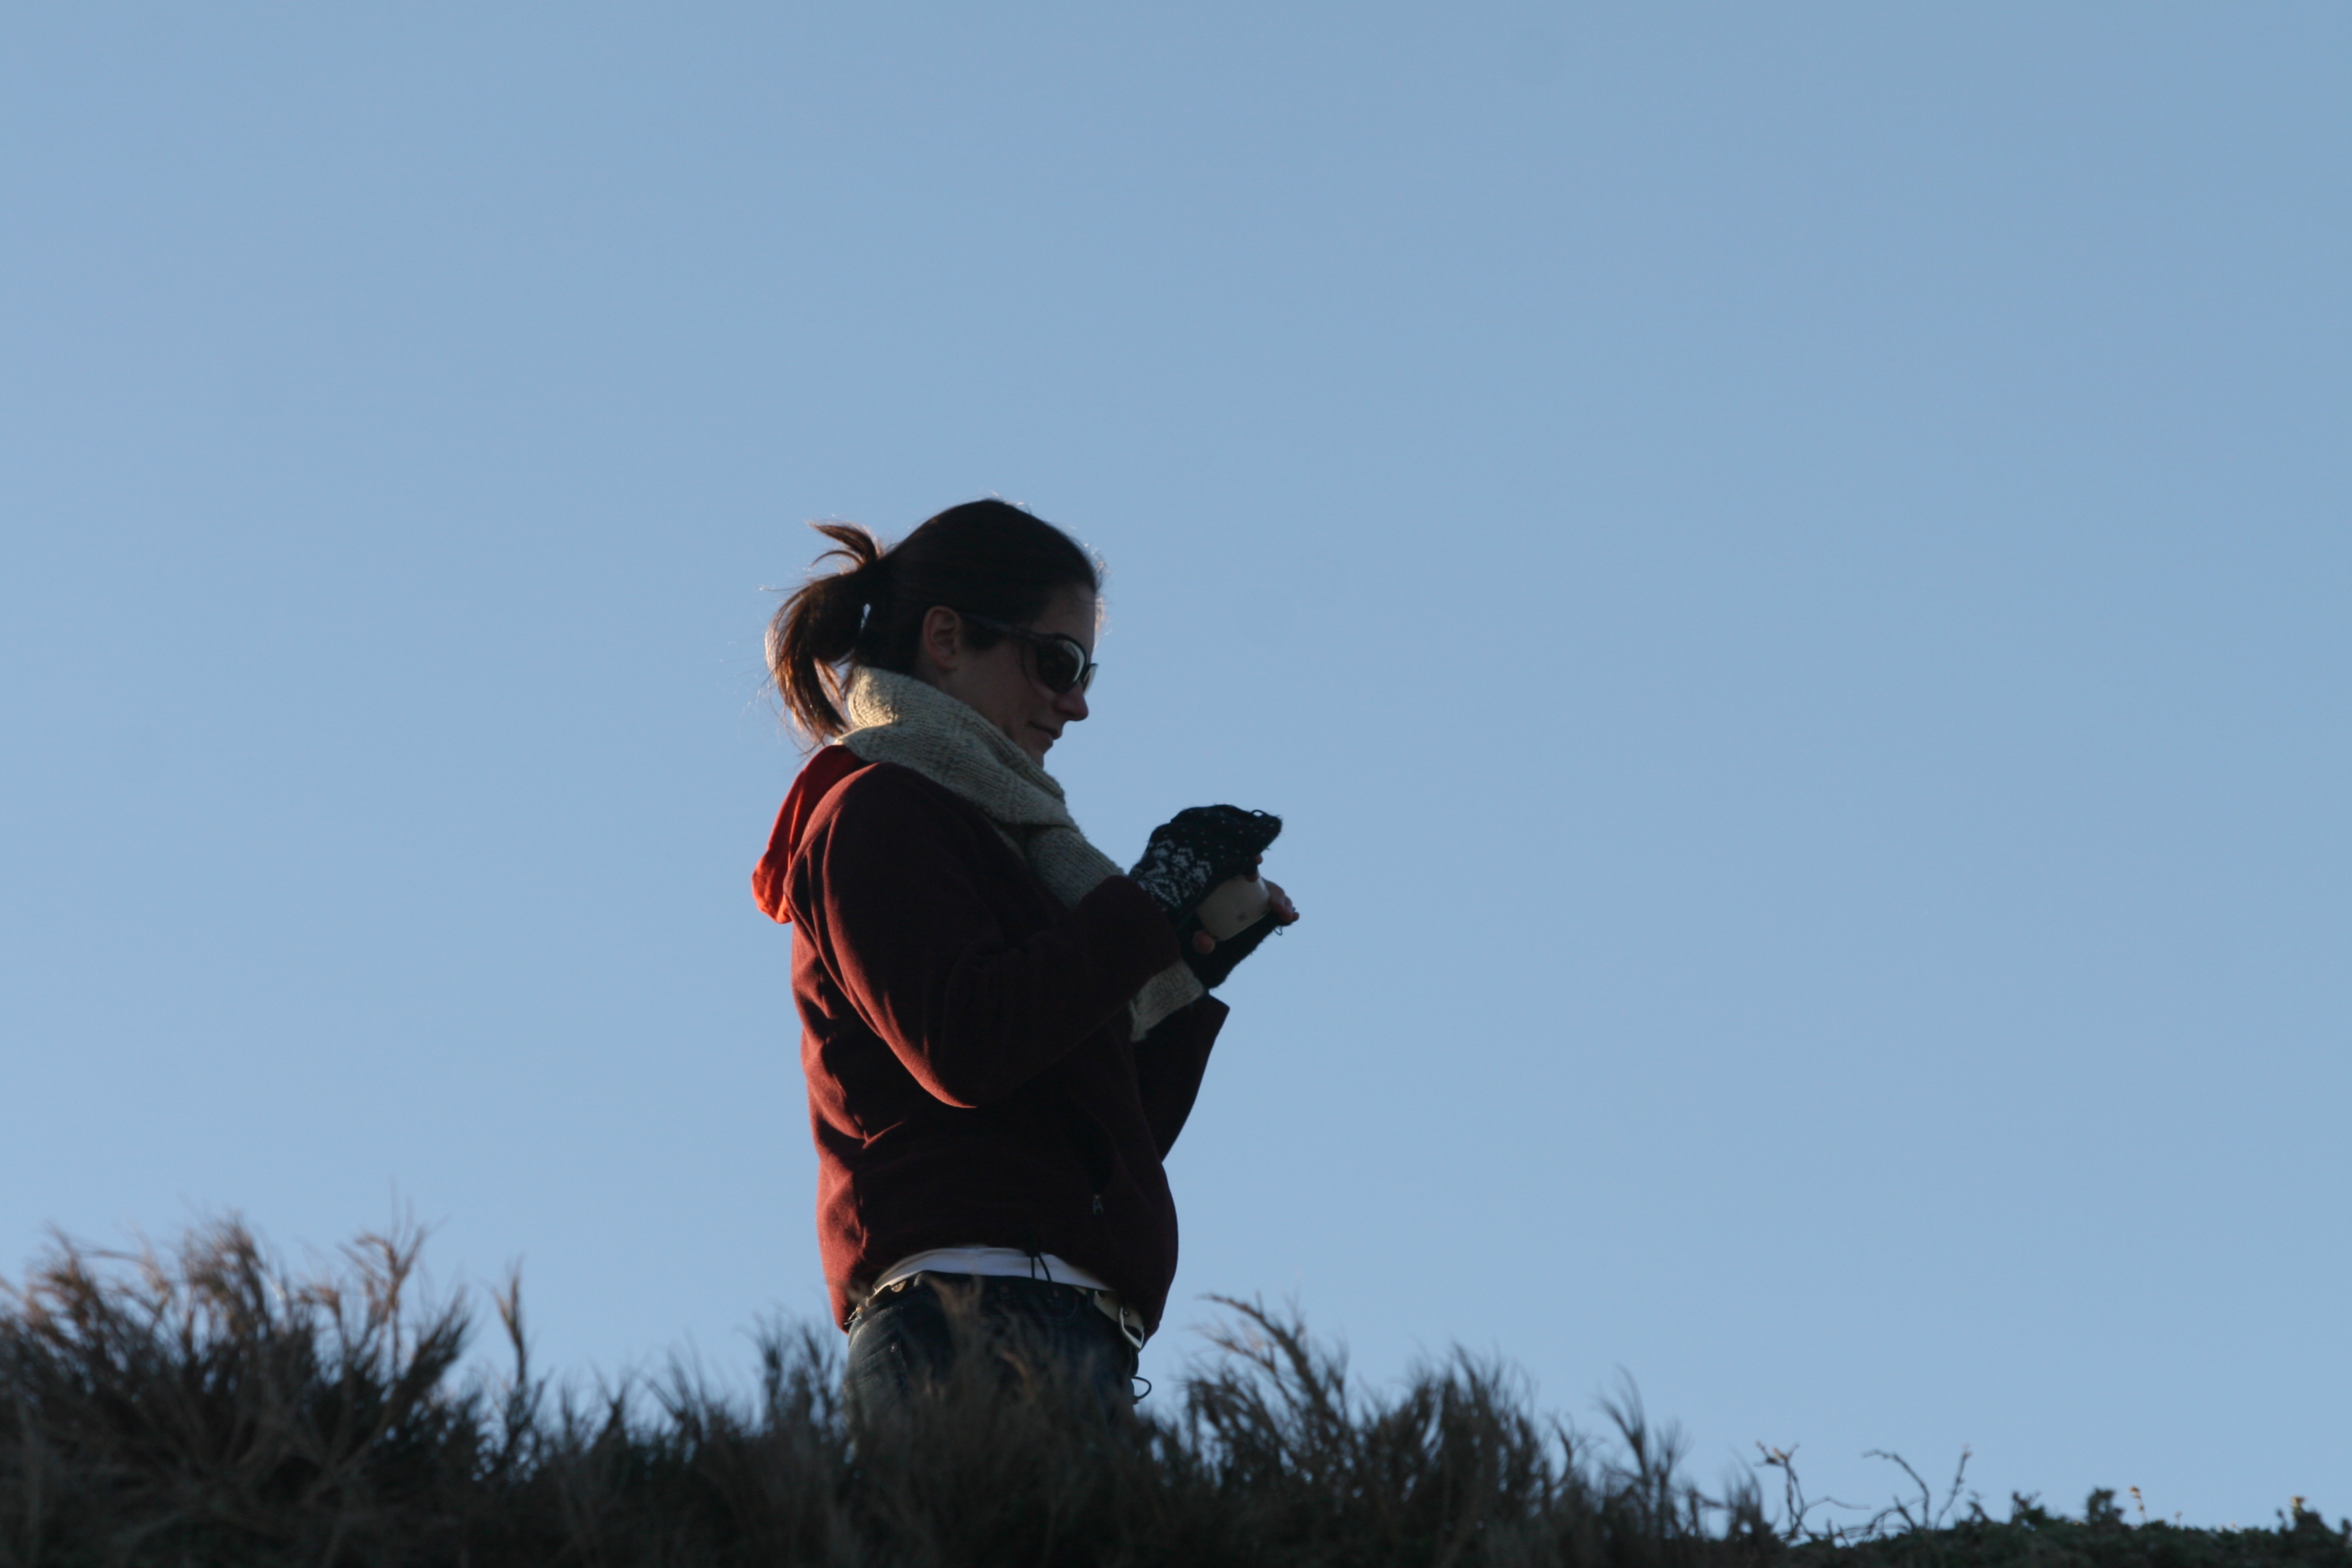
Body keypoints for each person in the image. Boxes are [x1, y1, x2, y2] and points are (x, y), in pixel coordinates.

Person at [751, 499, 1298, 1416]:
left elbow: (1082, 1146)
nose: (1075, 703)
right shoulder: (878, 810)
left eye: (1086, 673)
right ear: (946, 639)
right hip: (966, 1320)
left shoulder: (1019, 851)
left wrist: (1185, 969)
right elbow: (966, 1047)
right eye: (1057, 662)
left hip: (1066, 1326)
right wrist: (1145, 908)